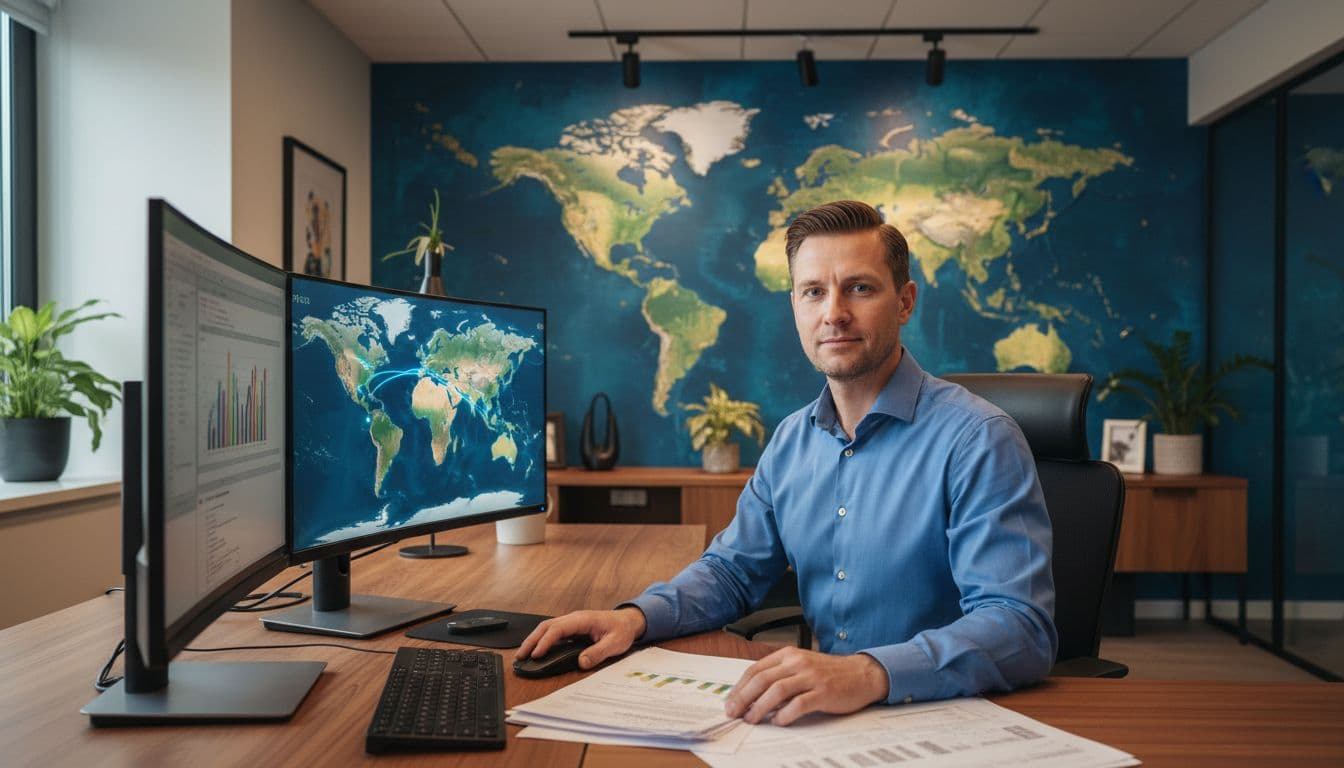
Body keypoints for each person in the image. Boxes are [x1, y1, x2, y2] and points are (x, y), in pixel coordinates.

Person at [517, 200, 1056, 726]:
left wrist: (870, 673)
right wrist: (633, 618)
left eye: (860, 288)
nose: (834, 313)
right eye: (813, 292)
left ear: (905, 301)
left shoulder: (978, 439)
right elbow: (731, 573)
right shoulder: (792, 440)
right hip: (820, 718)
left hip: (945, 718)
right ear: (795, 305)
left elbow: (1021, 627)